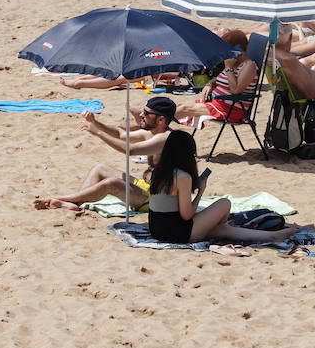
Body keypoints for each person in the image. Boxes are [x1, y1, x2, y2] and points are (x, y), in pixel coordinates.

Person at [145, 129, 298, 245]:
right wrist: (201, 191)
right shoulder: (182, 177)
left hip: (156, 229)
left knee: (222, 230)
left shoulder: (158, 171)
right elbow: (187, 215)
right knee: (225, 203)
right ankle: (271, 236)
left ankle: (272, 237)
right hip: (177, 233)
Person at [33, 97, 179, 211]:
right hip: (147, 187)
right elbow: (120, 134)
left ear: (161, 120)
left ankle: (61, 199)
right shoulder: (151, 133)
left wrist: (98, 133)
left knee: (110, 184)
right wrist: (95, 122)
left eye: (146, 113)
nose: (141, 115)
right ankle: (76, 202)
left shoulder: (165, 138)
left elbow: (129, 150)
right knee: (100, 168)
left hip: (157, 200)